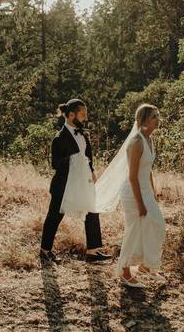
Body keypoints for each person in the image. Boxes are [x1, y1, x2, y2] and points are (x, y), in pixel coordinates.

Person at [94, 103, 166, 288]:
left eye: (158, 116)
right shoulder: (136, 142)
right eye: (154, 117)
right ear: (143, 120)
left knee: (157, 224)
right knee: (133, 231)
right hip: (133, 193)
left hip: (145, 191)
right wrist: (140, 203)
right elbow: (132, 177)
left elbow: (147, 170)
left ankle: (145, 265)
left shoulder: (149, 139)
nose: (158, 120)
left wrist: (152, 191)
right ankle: (124, 273)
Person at [39, 98, 113, 264]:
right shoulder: (59, 138)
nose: (85, 118)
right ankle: (45, 250)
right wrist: (73, 159)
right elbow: (55, 164)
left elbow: (88, 156)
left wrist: (92, 171)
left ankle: (93, 251)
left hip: (83, 181)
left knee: (92, 210)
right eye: (83, 114)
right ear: (71, 115)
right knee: (55, 216)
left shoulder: (84, 134)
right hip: (64, 185)